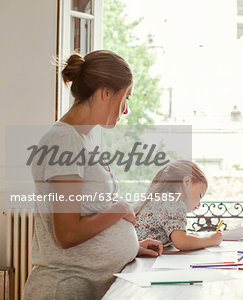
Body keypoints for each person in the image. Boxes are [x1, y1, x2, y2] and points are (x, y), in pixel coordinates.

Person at [23, 50, 163, 300]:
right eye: (126, 98)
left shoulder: (84, 139)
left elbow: (91, 212)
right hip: (65, 288)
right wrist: (120, 209)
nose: (127, 110)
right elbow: (68, 234)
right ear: (106, 92)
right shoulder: (63, 141)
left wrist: (131, 249)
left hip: (87, 285)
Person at [135, 160, 223, 250]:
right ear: (187, 182)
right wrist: (211, 239)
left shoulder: (161, 199)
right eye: (200, 195)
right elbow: (182, 242)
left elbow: (177, 236)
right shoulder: (174, 202)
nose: (199, 203)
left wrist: (186, 235)